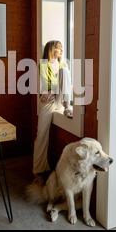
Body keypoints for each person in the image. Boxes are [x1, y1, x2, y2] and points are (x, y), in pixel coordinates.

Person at [33, 40, 72, 181]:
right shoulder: (44, 64)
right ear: (51, 49)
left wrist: (52, 90)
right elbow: (44, 85)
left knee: (65, 71)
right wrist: (47, 91)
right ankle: (38, 170)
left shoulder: (63, 65)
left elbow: (65, 84)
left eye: (62, 48)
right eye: (58, 48)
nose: (61, 50)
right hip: (48, 102)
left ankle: (68, 106)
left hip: (60, 99)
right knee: (41, 134)